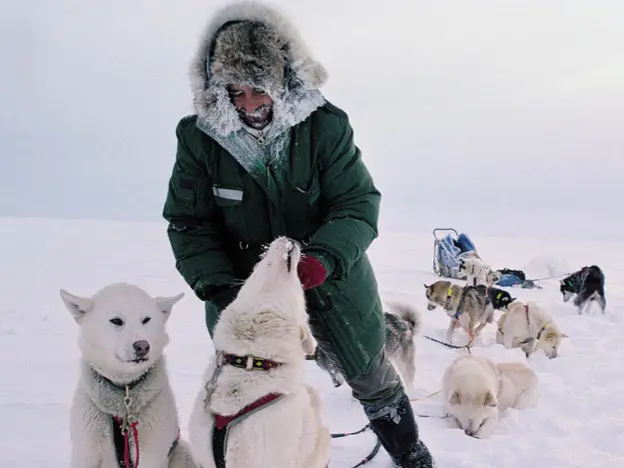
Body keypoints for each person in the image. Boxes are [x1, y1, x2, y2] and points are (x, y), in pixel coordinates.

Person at [162, 2, 435, 467]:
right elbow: (190, 223)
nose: (249, 104)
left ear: (284, 81)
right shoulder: (198, 138)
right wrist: (223, 290)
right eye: (236, 91)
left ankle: (410, 454)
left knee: (369, 374)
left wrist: (323, 258)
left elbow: (356, 204)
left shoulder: (326, 127)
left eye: (260, 89)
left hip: (332, 282)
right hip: (242, 293)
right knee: (249, 387)